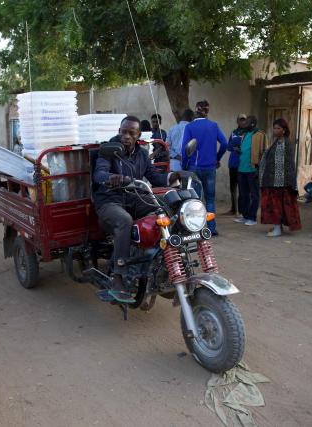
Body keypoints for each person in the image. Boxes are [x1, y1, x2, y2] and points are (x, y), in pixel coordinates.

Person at [94, 116, 179, 301]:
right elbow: (99, 173)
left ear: (138, 135)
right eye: (123, 132)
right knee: (124, 221)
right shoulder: (109, 150)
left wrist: (172, 177)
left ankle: (165, 266)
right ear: (119, 131)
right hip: (110, 201)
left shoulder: (141, 154)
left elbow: (154, 177)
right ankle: (118, 277)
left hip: (135, 198)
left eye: (131, 133)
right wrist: (111, 177)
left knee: (165, 213)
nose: (126, 136)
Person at [181, 100, 229, 236]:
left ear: (196, 110)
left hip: (194, 168)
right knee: (210, 199)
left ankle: (194, 228)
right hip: (210, 168)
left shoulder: (190, 127)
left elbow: (185, 149)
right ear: (207, 111)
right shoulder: (214, 126)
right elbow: (224, 144)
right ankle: (212, 228)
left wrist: (184, 166)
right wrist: (217, 158)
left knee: (195, 200)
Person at [259, 118, 302, 237]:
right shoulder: (276, 142)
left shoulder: (286, 144)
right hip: (273, 180)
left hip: (281, 181)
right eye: (274, 128)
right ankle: (279, 227)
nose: (275, 130)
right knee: (276, 205)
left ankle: (277, 229)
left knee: (277, 205)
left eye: (278, 128)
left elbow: (288, 164)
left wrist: (289, 181)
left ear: (284, 130)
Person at [234, 115, 267, 226]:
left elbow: (264, 153)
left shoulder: (261, 135)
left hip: (253, 169)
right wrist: (239, 150)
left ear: (252, 124)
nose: (244, 124)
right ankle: (245, 216)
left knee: (254, 195)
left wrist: (260, 169)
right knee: (244, 194)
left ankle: (252, 218)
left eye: (247, 122)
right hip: (242, 169)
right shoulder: (245, 134)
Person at [224, 113, 248, 215]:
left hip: (242, 164)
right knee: (233, 187)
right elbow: (228, 146)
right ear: (237, 121)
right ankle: (234, 209)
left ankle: (241, 210)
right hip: (233, 163)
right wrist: (234, 148)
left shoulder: (248, 133)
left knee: (242, 188)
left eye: (244, 120)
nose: (242, 122)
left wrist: (241, 149)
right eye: (240, 120)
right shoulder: (234, 133)